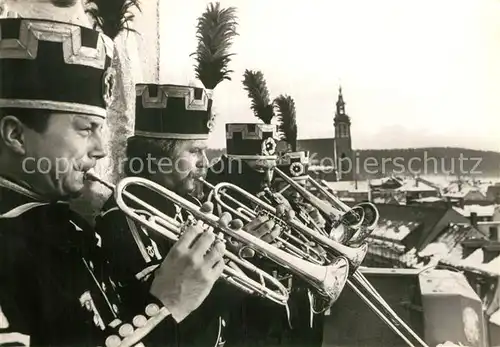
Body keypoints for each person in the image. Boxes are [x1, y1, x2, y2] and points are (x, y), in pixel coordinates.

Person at [0, 17, 229, 347]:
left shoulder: (63, 226)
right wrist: (165, 306)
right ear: (15, 134)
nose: (101, 150)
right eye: (85, 129)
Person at [94, 83, 293, 347]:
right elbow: (173, 311)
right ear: (157, 159)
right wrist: (238, 264)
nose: (205, 163)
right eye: (194, 151)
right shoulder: (128, 213)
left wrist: (234, 251)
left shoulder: (185, 202)